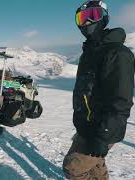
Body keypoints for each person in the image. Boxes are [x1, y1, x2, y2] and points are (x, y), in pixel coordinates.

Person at [63, 1, 135, 179]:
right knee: (95, 166)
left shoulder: (117, 53)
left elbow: (121, 100)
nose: (87, 23)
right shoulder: (90, 52)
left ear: (104, 18)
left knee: (73, 168)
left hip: (102, 127)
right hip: (88, 125)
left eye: (93, 15)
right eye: (82, 18)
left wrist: (104, 136)